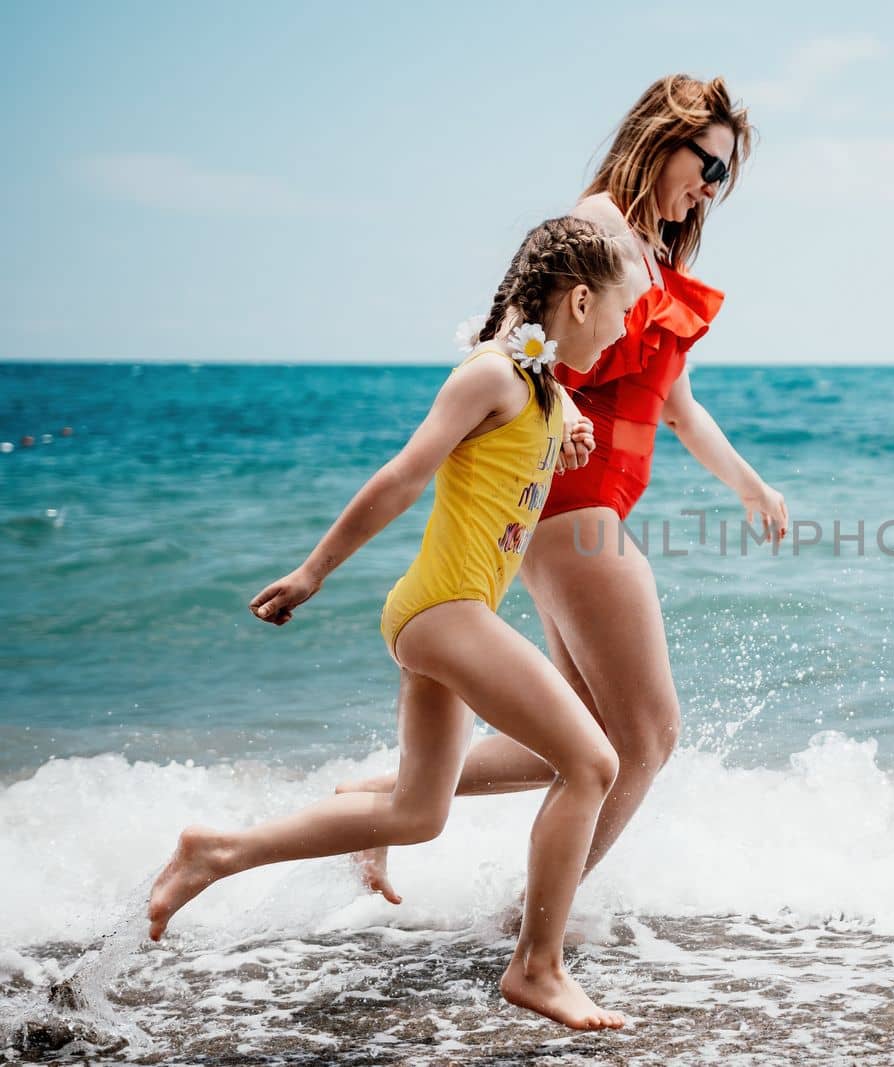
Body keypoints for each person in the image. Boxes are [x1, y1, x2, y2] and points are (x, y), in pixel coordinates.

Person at [145, 216, 643, 1031]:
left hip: (449, 615)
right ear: (581, 299)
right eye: (619, 310)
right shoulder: (491, 374)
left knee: (419, 813)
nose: (624, 330)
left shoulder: (538, 386)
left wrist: (568, 430)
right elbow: (404, 475)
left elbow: (522, 444)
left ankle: (217, 851)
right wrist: (313, 570)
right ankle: (537, 966)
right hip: (442, 610)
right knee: (592, 761)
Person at [339, 74, 789, 903]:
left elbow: (677, 407)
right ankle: (534, 927)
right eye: (708, 166)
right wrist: (564, 405)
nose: (711, 189)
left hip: (582, 510)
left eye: (724, 177)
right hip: (572, 507)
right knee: (649, 736)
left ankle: (379, 798)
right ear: (660, 139)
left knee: (578, 741)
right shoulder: (601, 226)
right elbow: (515, 338)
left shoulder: (652, 252)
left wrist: (749, 483)